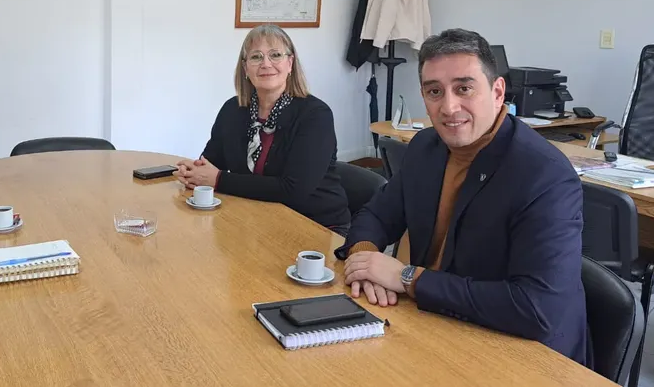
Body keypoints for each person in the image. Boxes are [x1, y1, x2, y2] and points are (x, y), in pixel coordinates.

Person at [335, 28, 591, 366]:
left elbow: (536, 308)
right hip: (441, 326)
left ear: (498, 92)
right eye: (434, 91)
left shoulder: (545, 176)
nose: (449, 106)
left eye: (464, 88)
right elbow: (378, 215)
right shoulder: (426, 147)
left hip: (526, 357)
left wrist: (407, 278)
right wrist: (364, 261)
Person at [175, 24, 350, 234]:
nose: (266, 64)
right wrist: (193, 172)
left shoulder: (315, 115)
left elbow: (293, 190)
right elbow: (212, 160)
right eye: (256, 57)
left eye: (275, 55)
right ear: (245, 67)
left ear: (290, 63)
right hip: (255, 218)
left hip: (315, 225)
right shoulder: (234, 109)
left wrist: (218, 179)